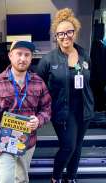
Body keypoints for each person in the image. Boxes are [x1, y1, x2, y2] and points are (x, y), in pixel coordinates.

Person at [0, 41, 52, 183]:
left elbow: (47, 108)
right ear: (10, 56)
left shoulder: (38, 82)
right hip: (3, 142)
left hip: (27, 143)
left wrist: (39, 120)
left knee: (22, 179)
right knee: (6, 180)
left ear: (31, 58)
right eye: (19, 54)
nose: (23, 58)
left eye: (27, 55)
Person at [36, 8, 94, 183]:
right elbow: (38, 86)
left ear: (75, 32)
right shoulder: (49, 60)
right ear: (56, 36)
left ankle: (71, 177)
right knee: (68, 146)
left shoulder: (84, 55)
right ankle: (56, 177)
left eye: (69, 32)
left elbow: (90, 80)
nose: (65, 36)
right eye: (60, 33)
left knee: (77, 147)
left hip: (84, 109)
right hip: (62, 110)